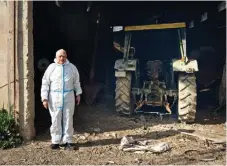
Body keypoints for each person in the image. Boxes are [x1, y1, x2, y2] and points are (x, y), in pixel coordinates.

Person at [41, 49, 82, 150]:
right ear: (56, 57)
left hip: (68, 96)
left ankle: (68, 141)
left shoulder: (72, 67)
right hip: (54, 97)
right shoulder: (51, 67)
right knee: (55, 118)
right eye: (60, 56)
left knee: (68, 118)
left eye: (63, 56)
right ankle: (55, 141)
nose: (62, 58)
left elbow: (76, 82)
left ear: (66, 56)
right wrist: (44, 98)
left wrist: (78, 93)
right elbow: (45, 83)